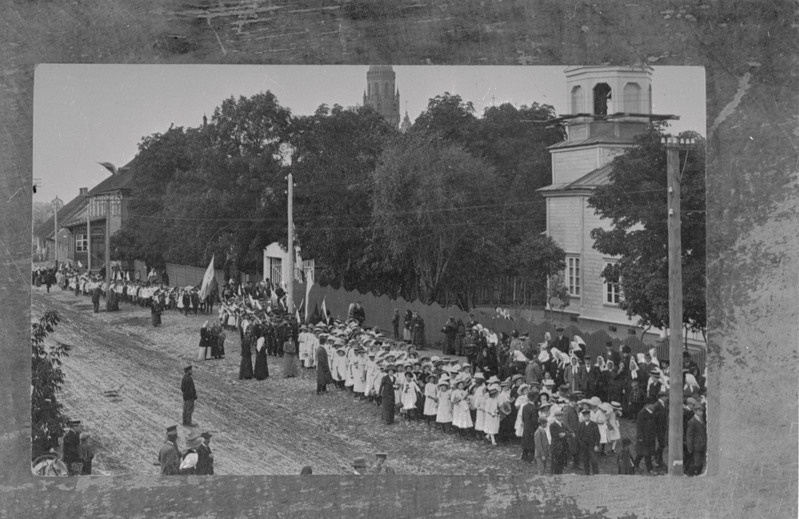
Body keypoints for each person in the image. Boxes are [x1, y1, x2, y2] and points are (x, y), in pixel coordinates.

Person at [633, 396, 657, 475]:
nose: (653, 406)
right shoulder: (642, 413)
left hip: (650, 437)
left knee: (641, 453)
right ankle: (650, 469)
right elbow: (639, 426)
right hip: (644, 437)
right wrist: (640, 437)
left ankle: (634, 465)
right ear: (647, 405)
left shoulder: (651, 412)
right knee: (647, 454)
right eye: (652, 404)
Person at [576, 409, 600, 475]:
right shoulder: (581, 425)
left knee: (594, 460)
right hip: (583, 445)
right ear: (583, 417)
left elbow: (597, 436)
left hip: (592, 445)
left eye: (587, 416)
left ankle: (596, 474)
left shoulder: (594, 424)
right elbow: (578, 435)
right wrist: (580, 442)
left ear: (590, 416)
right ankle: (587, 473)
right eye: (585, 416)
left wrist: (596, 445)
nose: (586, 417)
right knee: (585, 460)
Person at [685, 404, 707, 476]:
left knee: (700, 461)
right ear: (695, 412)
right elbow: (689, 435)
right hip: (696, 445)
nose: (701, 413)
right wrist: (690, 447)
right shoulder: (692, 421)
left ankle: (696, 473)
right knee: (697, 462)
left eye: (702, 411)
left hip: (702, 444)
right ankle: (693, 474)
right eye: (699, 411)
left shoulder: (701, 420)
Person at [520, 390, 538, 462]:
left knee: (526, 440)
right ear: (534, 398)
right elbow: (534, 420)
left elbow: (523, 417)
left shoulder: (524, 406)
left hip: (526, 425)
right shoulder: (534, 408)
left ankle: (524, 456)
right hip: (532, 427)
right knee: (532, 442)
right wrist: (536, 425)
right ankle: (530, 458)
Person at [652, 391, 668, 469]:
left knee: (662, 444)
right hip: (658, 427)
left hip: (663, 427)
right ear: (661, 397)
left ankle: (659, 458)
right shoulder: (657, 405)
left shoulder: (663, 404)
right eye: (665, 396)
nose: (666, 398)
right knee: (661, 443)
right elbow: (653, 417)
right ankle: (655, 458)